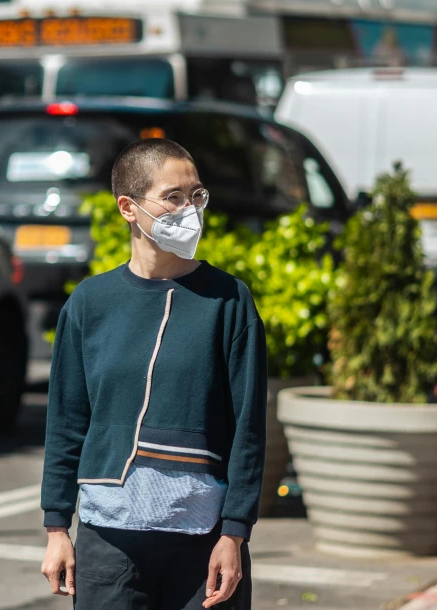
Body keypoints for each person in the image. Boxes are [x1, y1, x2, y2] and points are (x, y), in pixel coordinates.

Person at [40, 138, 267, 609]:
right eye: (174, 197)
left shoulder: (229, 301)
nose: (190, 210)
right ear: (128, 207)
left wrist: (235, 534)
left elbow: (249, 427)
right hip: (109, 541)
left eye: (197, 196)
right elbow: (65, 421)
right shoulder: (89, 302)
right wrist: (57, 527)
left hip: (201, 540)